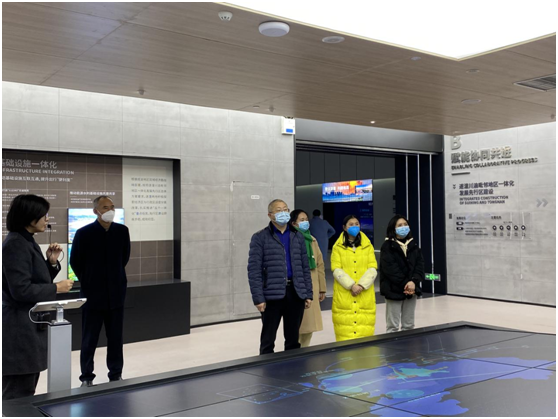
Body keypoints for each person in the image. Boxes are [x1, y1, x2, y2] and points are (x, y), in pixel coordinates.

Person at [2, 194, 73, 400]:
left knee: (27, 386)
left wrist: (51, 262)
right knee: (18, 392)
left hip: (29, 324)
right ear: (29, 217)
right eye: (44, 215)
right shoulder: (16, 244)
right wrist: (56, 288)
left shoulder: (26, 241)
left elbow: (34, 279)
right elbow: (21, 290)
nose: (47, 219)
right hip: (19, 328)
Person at [70, 196, 130, 387]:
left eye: (112, 207)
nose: (110, 210)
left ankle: (116, 374)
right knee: (89, 338)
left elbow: (124, 258)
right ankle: (87, 377)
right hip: (92, 296)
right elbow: (75, 262)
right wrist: (89, 280)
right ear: (96, 211)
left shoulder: (122, 231)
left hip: (116, 294)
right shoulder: (83, 233)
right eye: (105, 207)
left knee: (116, 338)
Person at [248, 199, 313, 354]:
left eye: (285, 209)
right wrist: (258, 298)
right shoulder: (260, 237)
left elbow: (304, 267)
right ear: (270, 215)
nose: (283, 213)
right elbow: (254, 270)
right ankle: (266, 366)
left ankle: (292, 367)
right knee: (268, 339)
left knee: (293, 339)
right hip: (272, 295)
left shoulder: (297, 236)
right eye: (278, 210)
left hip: (295, 293)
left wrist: (308, 293)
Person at [331, 214, 378, 341]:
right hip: (344, 294)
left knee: (365, 334)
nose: (355, 226)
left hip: (364, 293)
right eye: (351, 224)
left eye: (357, 224)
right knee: (344, 334)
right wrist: (351, 285)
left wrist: (361, 285)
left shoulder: (368, 245)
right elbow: (336, 269)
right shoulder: (337, 247)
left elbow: (372, 267)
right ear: (344, 227)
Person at [380, 215, 424, 333]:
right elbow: (390, 269)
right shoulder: (387, 246)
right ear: (393, 229)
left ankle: (408, 345)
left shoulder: (413, 244)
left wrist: (413, 282)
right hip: (393, 289)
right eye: (399, 225)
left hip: (411, 290)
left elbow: (420, 266)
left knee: (409, 325)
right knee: (392, 326)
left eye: (405, 224)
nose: (403, 227)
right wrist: (406, 283)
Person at [289, 209, 327, 348]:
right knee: (298, 325)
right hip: (298, 287)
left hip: (313, 286)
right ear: (293, 223)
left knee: (309, 326)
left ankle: (304, 349)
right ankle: (295, 351)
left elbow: (320, 264)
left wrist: (322, 288)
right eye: (302, 220)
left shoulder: (312, 240)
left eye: (306, 219)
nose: (305, 222)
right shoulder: (290, 240)